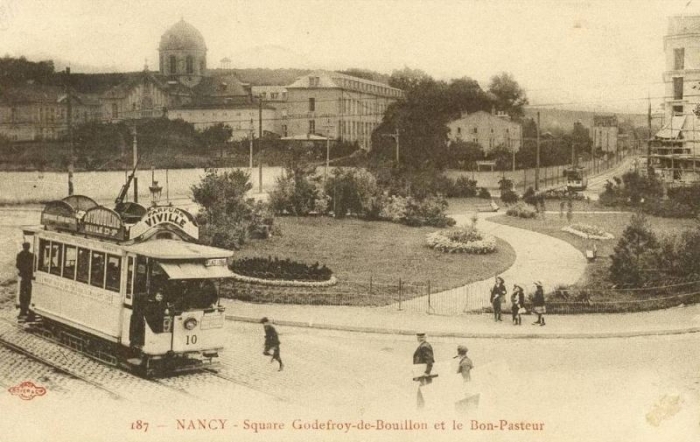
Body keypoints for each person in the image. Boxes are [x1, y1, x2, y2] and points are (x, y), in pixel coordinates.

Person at [413, 332, 435, 409]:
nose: (419, 339)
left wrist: (427, 372)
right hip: (422, 373)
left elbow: (429, 360)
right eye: (419, 337)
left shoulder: (425, 346)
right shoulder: (423, 345)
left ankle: (421, 409)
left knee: (423, 391)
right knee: (424, 391)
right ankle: (422, 408)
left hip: (424, 374)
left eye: (421, 337)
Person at [16, 242, 34, 321]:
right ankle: (24, 308)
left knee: (24, 292)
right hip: (27, 276)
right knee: (26, 292)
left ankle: (23, 309)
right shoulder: (32, 256)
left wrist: (22, 270)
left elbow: (18, 265)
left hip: (25, 276)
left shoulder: (20, 255)